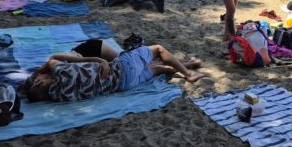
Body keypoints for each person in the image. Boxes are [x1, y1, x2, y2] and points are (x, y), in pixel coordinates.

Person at [22, 45, 206, 102]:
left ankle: (187, 64)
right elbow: (53, 58)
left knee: (159, 70)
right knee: (158, 50)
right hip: (122, 68)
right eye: (38, 79)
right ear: (40, 83)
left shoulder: (62, 97)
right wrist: (99, 60)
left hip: (124, 85)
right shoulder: (63, 72)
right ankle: (188, 73)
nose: (39, 76)